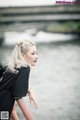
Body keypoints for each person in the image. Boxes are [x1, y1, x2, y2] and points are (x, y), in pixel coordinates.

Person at [0, 40, 38, 120]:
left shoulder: (10, 68)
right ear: (23, 55)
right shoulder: (25, 69)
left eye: (36, 53)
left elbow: (10, 93)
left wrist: (30, 89)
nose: (36, 56)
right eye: (33, 53)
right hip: (3, 110)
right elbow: (17, 96)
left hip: (4, 110)